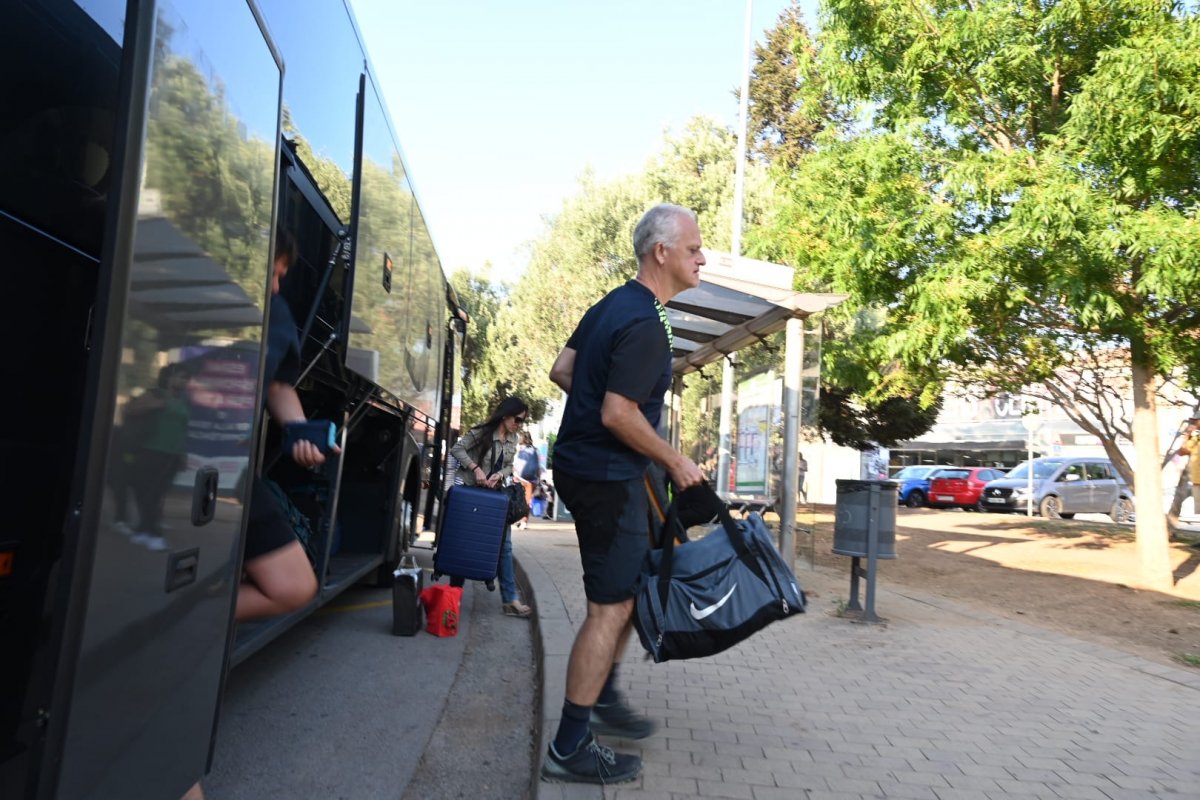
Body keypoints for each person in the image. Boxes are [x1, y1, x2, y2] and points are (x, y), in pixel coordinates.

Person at [541, 203, 705, 785]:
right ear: (661, 252)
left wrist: (597, 410)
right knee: (609, 609)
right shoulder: (648, 324)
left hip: (588, 469)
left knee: (630, 594)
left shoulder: (612, 305)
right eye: (693, 249)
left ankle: (603, 695)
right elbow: (618, 412)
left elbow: (563, 369)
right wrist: (674, 460)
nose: (702, 258)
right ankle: (569, 747)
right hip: (608, 477)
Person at [449, 396, 533, 618]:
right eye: (517, 419)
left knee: (505, 547)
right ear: (505, 415)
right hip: (472, 496)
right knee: (464, 544)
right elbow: (457, 449)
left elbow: (509, 466)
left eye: (522, 421)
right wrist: (475, 468)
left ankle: (510, 600)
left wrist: (500, 475)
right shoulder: (482, 432)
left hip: (495, 498)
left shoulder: (513, 439)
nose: (519, 424)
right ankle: (453, 596)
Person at [513, 431, 540, 529]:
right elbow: (538, 467)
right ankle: (524, 522)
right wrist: (538, 479)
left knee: (519, 499)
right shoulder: (535, 450)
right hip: (532, 479)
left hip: (520, 477)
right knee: (528, 500)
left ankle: (518, 519)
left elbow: (514, 464)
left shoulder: (519, 448)